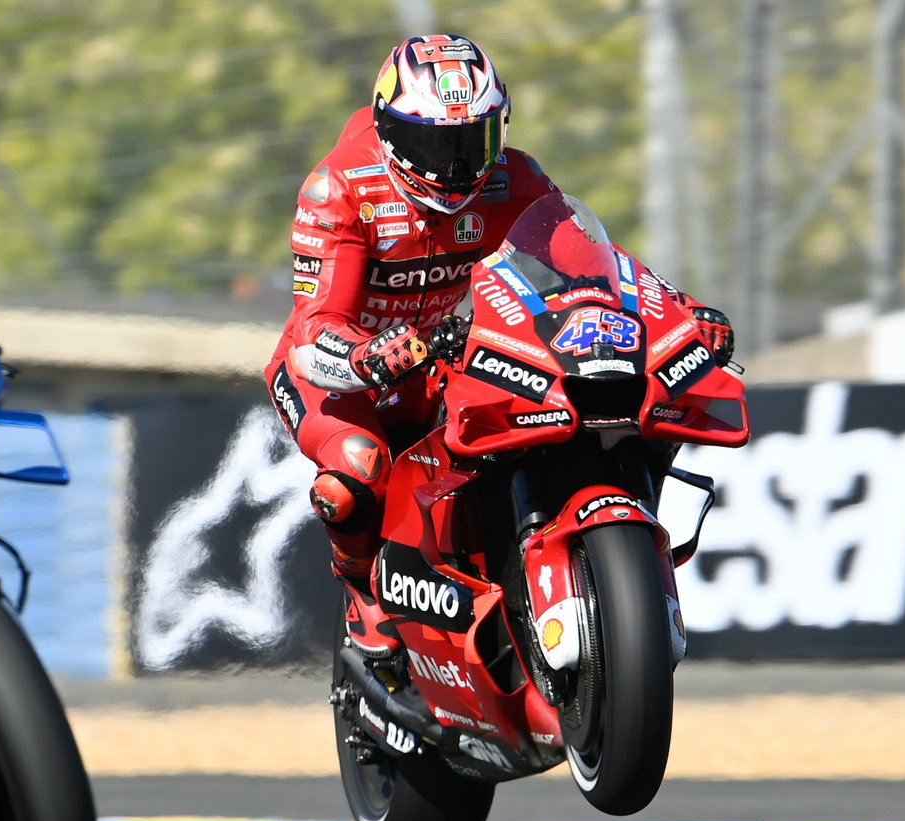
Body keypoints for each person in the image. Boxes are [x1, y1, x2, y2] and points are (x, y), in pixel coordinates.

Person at [265, 34, 735, 659]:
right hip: (338, 371)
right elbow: (313, 325)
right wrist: (364, 356)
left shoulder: (516, 178)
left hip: (443, 352)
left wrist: (676, 313)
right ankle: (362, 595)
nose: (457, 165)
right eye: (437, 144)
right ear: (391, 132)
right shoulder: (340, 192)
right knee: (355, 469)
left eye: (476, 140)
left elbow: (595, 266)